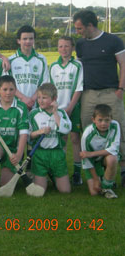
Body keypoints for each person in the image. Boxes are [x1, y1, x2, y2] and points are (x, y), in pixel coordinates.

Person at [74, 9, 125, 187]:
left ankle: (122, 172)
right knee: (88, 131)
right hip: (89, 94)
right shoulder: (80, 44)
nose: (77, 32)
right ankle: (94, 174)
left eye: (79, 28)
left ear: (90, 25)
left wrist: (121, 88)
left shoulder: (113, 40)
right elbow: (78, 70)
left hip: (111, 92)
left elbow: (123, 63)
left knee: (119, 130)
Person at [0, 75, 29, 194]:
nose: (8, 93)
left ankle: (6, 168)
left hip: (12, 150)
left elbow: (24, 134)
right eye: (5, 89)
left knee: (5, 183)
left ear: (15, 90)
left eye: (11, 89)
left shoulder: (21, 107)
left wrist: (18, 155)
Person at [49, 36, 83, 185]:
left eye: (67, 46)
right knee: (61, 140)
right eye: (61, 46)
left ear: (72, 48)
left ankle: (77, 173)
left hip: (73, 108)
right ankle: (60, 171)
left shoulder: (77, 65)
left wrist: (70, 107)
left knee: (75, 139)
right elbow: (51, 89)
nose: (64, 49)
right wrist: (57, 108)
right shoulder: (53, 67)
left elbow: (78, 88)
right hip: (58, 109)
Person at [29, 83, 72, 194]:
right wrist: (40, 132)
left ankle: (54, 175)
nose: (40, 100)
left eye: (44, 98)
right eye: (39, 97)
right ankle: (43, 174)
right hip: (40, 154)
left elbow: (66, 129)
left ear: (54, 99)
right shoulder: (33, 114)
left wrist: (55, 113)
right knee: (40, 192)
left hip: (57, 154)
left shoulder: (61, 113)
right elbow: (29, 136)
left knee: (65, 190)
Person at [80, 104, 119, 199]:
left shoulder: (115, 125)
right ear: (93, 120)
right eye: (100, 120)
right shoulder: (87, 134)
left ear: (111, 119)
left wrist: (91, 153)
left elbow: (114, 148)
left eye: (107, 120)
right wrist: (95, 179)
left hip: (105, 157)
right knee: (94, 193)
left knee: (112, 158)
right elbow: (86, 159)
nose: (103, 124)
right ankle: (102, 178)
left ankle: (107, 187)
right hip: (92, 162)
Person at [9, 25, 49, 110]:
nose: (28, 41)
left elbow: (44, 83)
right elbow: (8, 84)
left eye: (31, 39)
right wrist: (24, 98)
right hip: (17, 105)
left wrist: (33, 99)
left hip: (36, 104)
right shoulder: (11, 60)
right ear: (18, 41)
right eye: (24, 39)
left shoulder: (41, 59)